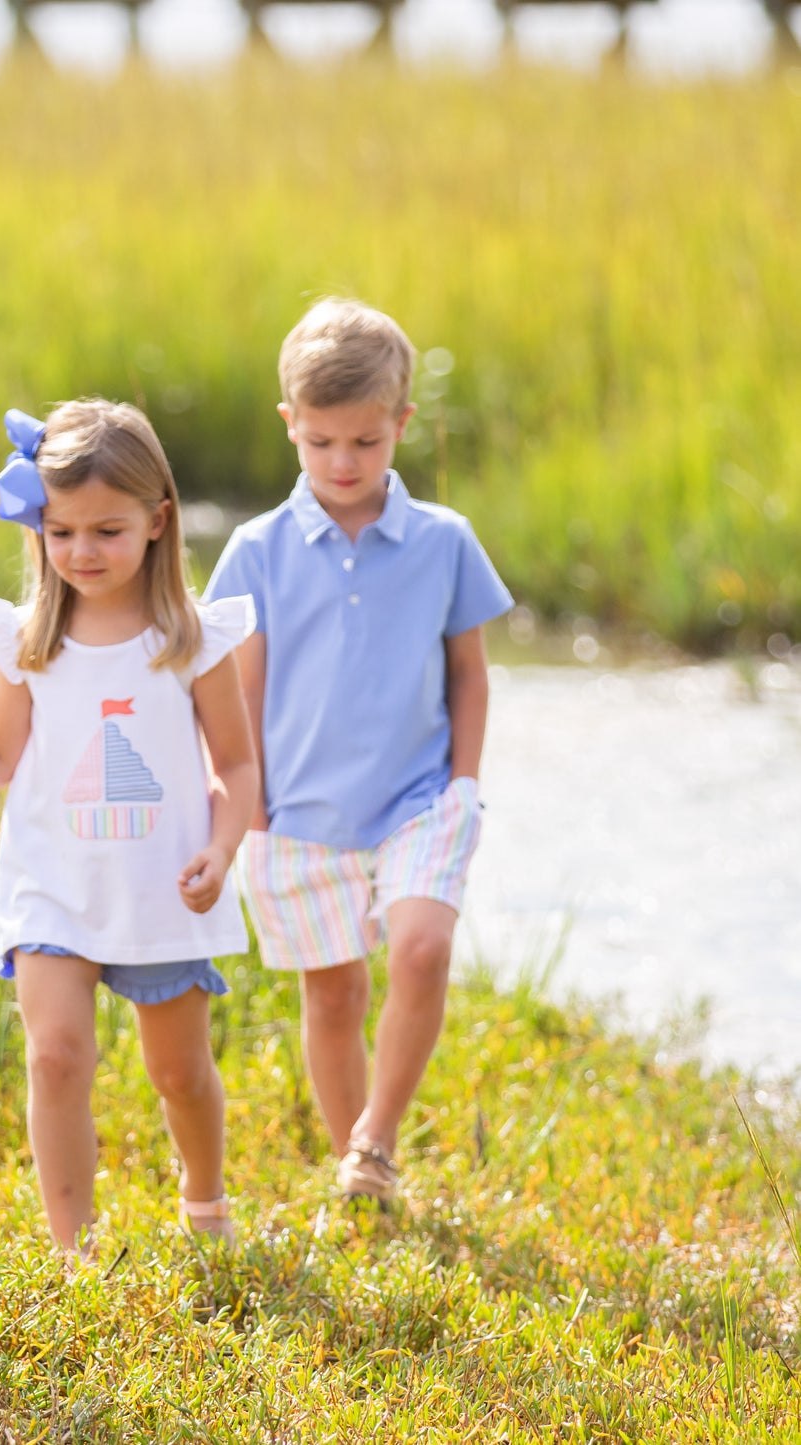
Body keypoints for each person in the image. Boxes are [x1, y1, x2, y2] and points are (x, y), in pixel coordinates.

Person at [205, 298, 513, 1209]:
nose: (344, 464)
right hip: (296, 811)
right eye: (323, 442)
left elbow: (469, 674)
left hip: (418, 797)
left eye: (366, 444)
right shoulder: (256, 550)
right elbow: (239, 687)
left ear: (401, 427)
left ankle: (375, 1135)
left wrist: (462, 781)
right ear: (289, 425)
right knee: (332, 998)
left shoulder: (443, 542)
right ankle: (361, 1173)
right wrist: (246, 803)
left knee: (420, 948)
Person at [0, 400, 258, 1260]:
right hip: (52, 886)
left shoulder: (187, 639)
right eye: (60, 533)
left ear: (157, 521)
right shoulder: (28, 643)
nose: (82, 553)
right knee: (55, 1057)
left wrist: (222, 843)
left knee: (178, 1072)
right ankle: (75, 1250)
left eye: (107, 530)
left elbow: (236, 766)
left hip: (164, 887)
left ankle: (204, 1199)